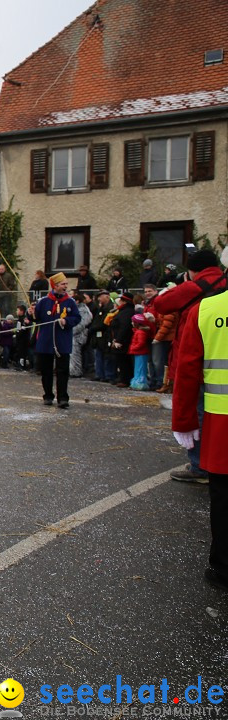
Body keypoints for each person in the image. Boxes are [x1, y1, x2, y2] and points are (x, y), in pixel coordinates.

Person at [170, 254, 228, 591]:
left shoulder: (205, 310)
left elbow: (187, 372)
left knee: (223, 498)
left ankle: (223, 567)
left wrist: (183, 421)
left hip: (222, 427)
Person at [160, 249, 228, 482]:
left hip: (199, 361)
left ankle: (200, 467)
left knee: (197, 412)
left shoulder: (194, 287)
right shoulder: (224, 282)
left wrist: (178, 287)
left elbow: (162, 304)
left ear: (193, 269)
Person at [32, 273, 80, 408]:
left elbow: (77, 318)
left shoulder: (70, 302)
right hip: (45, 341)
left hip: (62, 342)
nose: (66, 286)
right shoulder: (44, 301)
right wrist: (31, 314)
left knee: (62, 371)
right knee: (46, 370)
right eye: (63, 284)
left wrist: (67, 321)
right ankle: (48, 395)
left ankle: (63, 398)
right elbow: (36, 319)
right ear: (55, 285)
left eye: (66, 284)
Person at [110, 292, 137, 387]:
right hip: (119, 337)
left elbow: (124, 326)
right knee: (120, 360)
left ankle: (125, 378)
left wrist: (118, 340)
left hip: (124, 340)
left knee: (124, 360)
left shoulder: (127, 312)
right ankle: (123, 377)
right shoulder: (123, 311)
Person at [89, 291, 115, 382]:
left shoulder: (110, 308)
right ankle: (99, 374)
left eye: (101, 297)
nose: (99, 299)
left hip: (106, 334)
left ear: (107, 297)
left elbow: (105, 323)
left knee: (107, 356)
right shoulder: (101, 308)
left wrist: (94, 328)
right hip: (98, 335)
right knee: (99, 355)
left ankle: (108, 375)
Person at [129, 308, 153, 391]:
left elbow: (141, 343)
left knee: (140, 368)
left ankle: (140, 383)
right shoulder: (138, 331)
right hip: (138, 352)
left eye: (133, 322)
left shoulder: (140, 332)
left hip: (141, 352)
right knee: (138, 368)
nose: (131, 323)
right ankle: (137, 382)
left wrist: (133, 348)